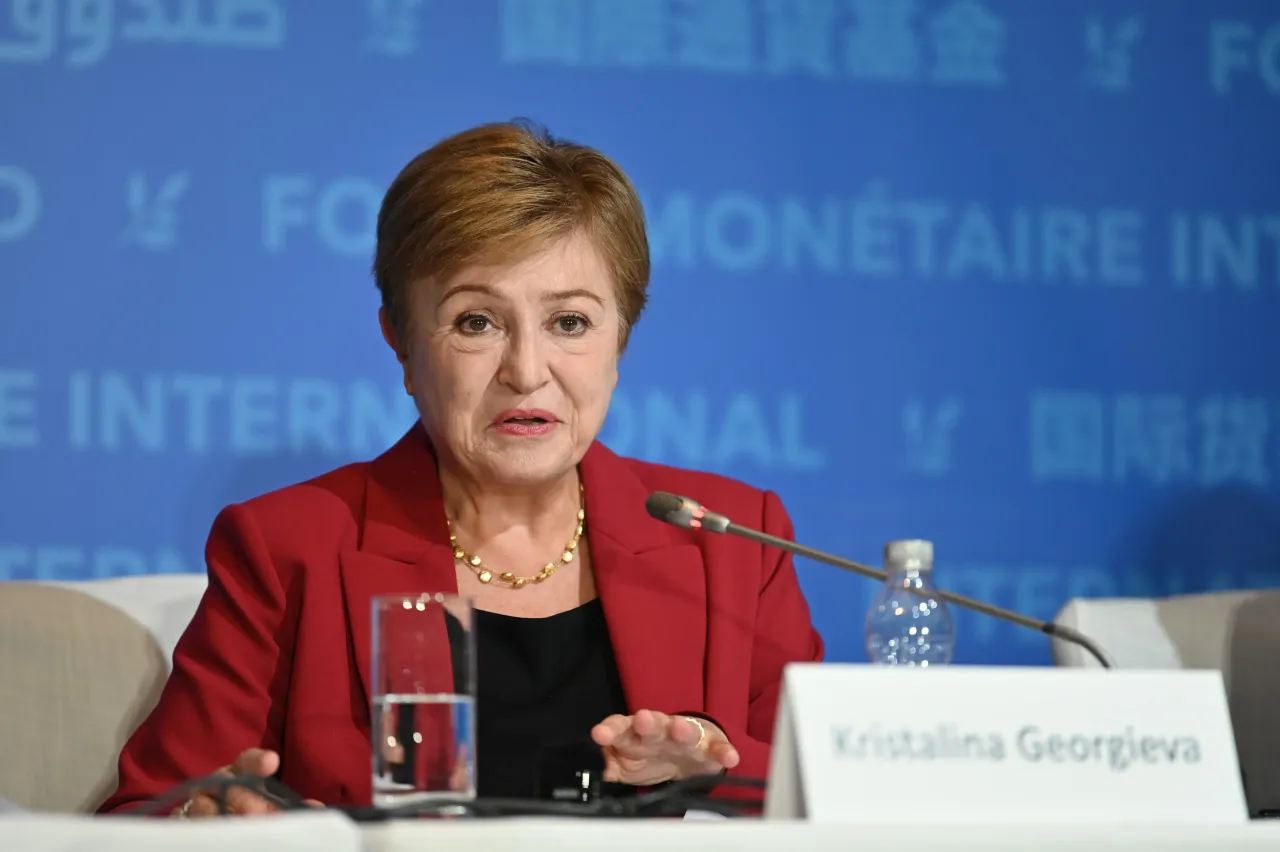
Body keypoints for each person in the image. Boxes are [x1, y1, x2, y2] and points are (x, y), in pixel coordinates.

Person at [97, 120, 824, 817]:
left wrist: (711, 774)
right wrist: (206, 822)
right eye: (477, 322)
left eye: (569, 322)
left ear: (621, 339)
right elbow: (140, 819)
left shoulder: (732, 540)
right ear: (401, 340)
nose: (527, 371)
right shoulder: (290, 549)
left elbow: (833, 795)